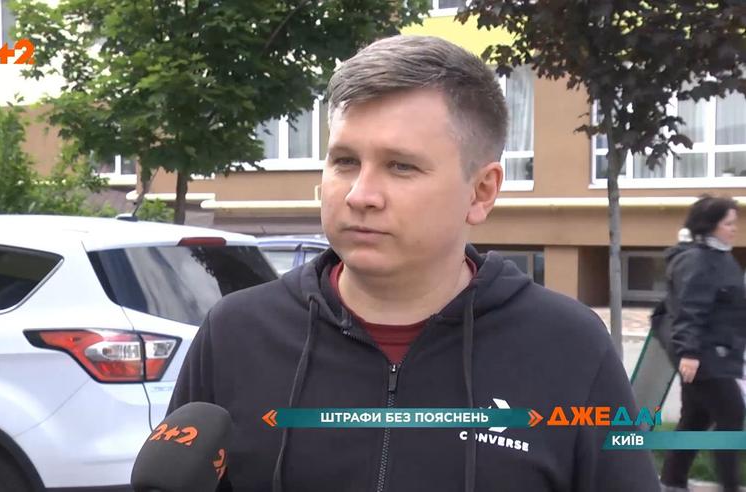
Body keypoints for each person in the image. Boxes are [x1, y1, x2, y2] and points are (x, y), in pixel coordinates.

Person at [168, 35, 659, 491]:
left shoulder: (567, 345)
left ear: (481, 191)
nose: (360, 195)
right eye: (344, 161)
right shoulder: (236, 333)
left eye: (400, 166)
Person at [659, 195, 745, 492]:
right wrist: (689, 352)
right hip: (704, 356)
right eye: (729, 223)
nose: (735, 228)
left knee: (696, 418)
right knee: (731, 415)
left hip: (716, 352)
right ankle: (729, 486)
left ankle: (672, 481)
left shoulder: (719, 256)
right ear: (710, 225)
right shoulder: (697, 260)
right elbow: (691, 308)